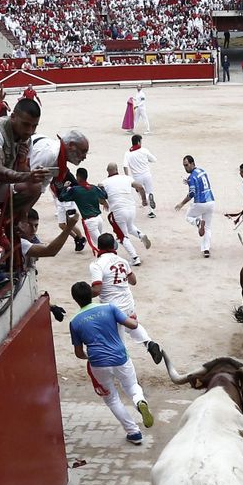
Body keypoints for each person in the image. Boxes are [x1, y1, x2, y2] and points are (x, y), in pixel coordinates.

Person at [67, 280, 155, 446]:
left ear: (75, 299)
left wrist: (90, 357)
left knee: (112, 399)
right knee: (132, 387)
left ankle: (134, 432)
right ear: (92, 293)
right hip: (120, 357)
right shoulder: (109, 307)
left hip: (98, 363)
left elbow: (79, 353)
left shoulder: (75, 322)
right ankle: (139, 402)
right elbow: (132, 325)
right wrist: (133, 319)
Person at [89, 231, 163, 360]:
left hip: (112, 307)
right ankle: (148, 342)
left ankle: (126, 371)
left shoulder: (97, 265)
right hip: (128, 302)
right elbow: (133, 281)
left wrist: (83, 293)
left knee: (117, 340)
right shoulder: (122, 261)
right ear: (114, 246)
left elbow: (96, 290)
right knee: (132, 325)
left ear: (99, 247)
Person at [103, 160, 150, 266]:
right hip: (131, 208)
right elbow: (140, 187)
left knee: (122, 236)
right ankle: (141, 235)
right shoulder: (127, 178)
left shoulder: (104, 182)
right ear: (117, 169)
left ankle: (135, 258)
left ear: (108, 171)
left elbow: (100, 194)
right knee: (130, 226)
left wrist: (104, 203)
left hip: (118, 210)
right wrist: (143, 200)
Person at [174, 153, 215, 257]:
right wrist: (189, 182)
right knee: (208, 227)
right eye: (184, 165)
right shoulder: (202, 171)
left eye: (186, 165)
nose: (185, 167)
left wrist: (181, 204)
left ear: (192, 163)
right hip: (211, 202)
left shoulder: (192, 177)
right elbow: (201, 184)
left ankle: (197, 222)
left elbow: (192, 193)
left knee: (188, 216)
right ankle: (206, 250)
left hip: (200, 203)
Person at [124, 133, 159, 216]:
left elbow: (125, 165)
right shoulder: (144, 150)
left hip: (137, 177)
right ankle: (151, 212)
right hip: (147, 175)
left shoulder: (128, 153)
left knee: (140, 193)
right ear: (139, 142)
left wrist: (127, 177)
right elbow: (154, 159)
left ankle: (146, 200)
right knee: (149, 192)